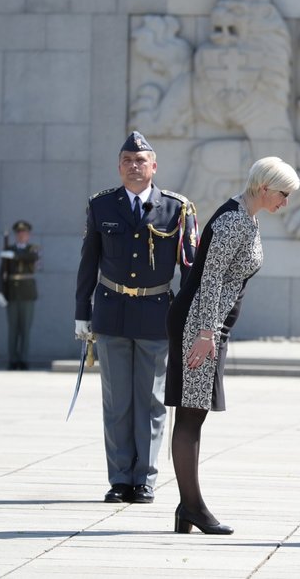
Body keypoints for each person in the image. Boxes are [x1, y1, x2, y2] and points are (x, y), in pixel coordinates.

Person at [166, 156, 299, 535]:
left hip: (207, 324)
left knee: (195, 412)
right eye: (283, 194)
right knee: (191, 414)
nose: (285, 202)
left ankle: (186, 508)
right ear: (264, 186)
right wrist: (207, 333)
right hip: (199, 324)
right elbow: (208, 279)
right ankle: (192, 507)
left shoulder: (248, 218)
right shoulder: (234, 221)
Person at [75, 131, 198, 505]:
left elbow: (189, 269)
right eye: (127, 160)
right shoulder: (102, 206)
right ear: (119, 166)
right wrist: (83, 313)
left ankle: (144, 479)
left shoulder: (176, 209)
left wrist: (190, 319)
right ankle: (119, 479)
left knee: (151, 401)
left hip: (155, 314)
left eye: (141, 160)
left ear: (154, 166)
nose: (134, 166)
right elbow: (88, 262)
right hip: (111, 313)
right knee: (117, 403)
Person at [0, 220, 40, 371]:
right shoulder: (8, 249)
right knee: (13, 329)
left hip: (27, 293)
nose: (22, 235)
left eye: (24, 233)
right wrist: (0, 292)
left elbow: (32, 258)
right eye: (19, 233)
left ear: (28, 235)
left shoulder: (32, 248)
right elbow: (2, 273)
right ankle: (12, 359)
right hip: (12, 294)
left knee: (25, 329)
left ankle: (24, 360)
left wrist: (14, 255)